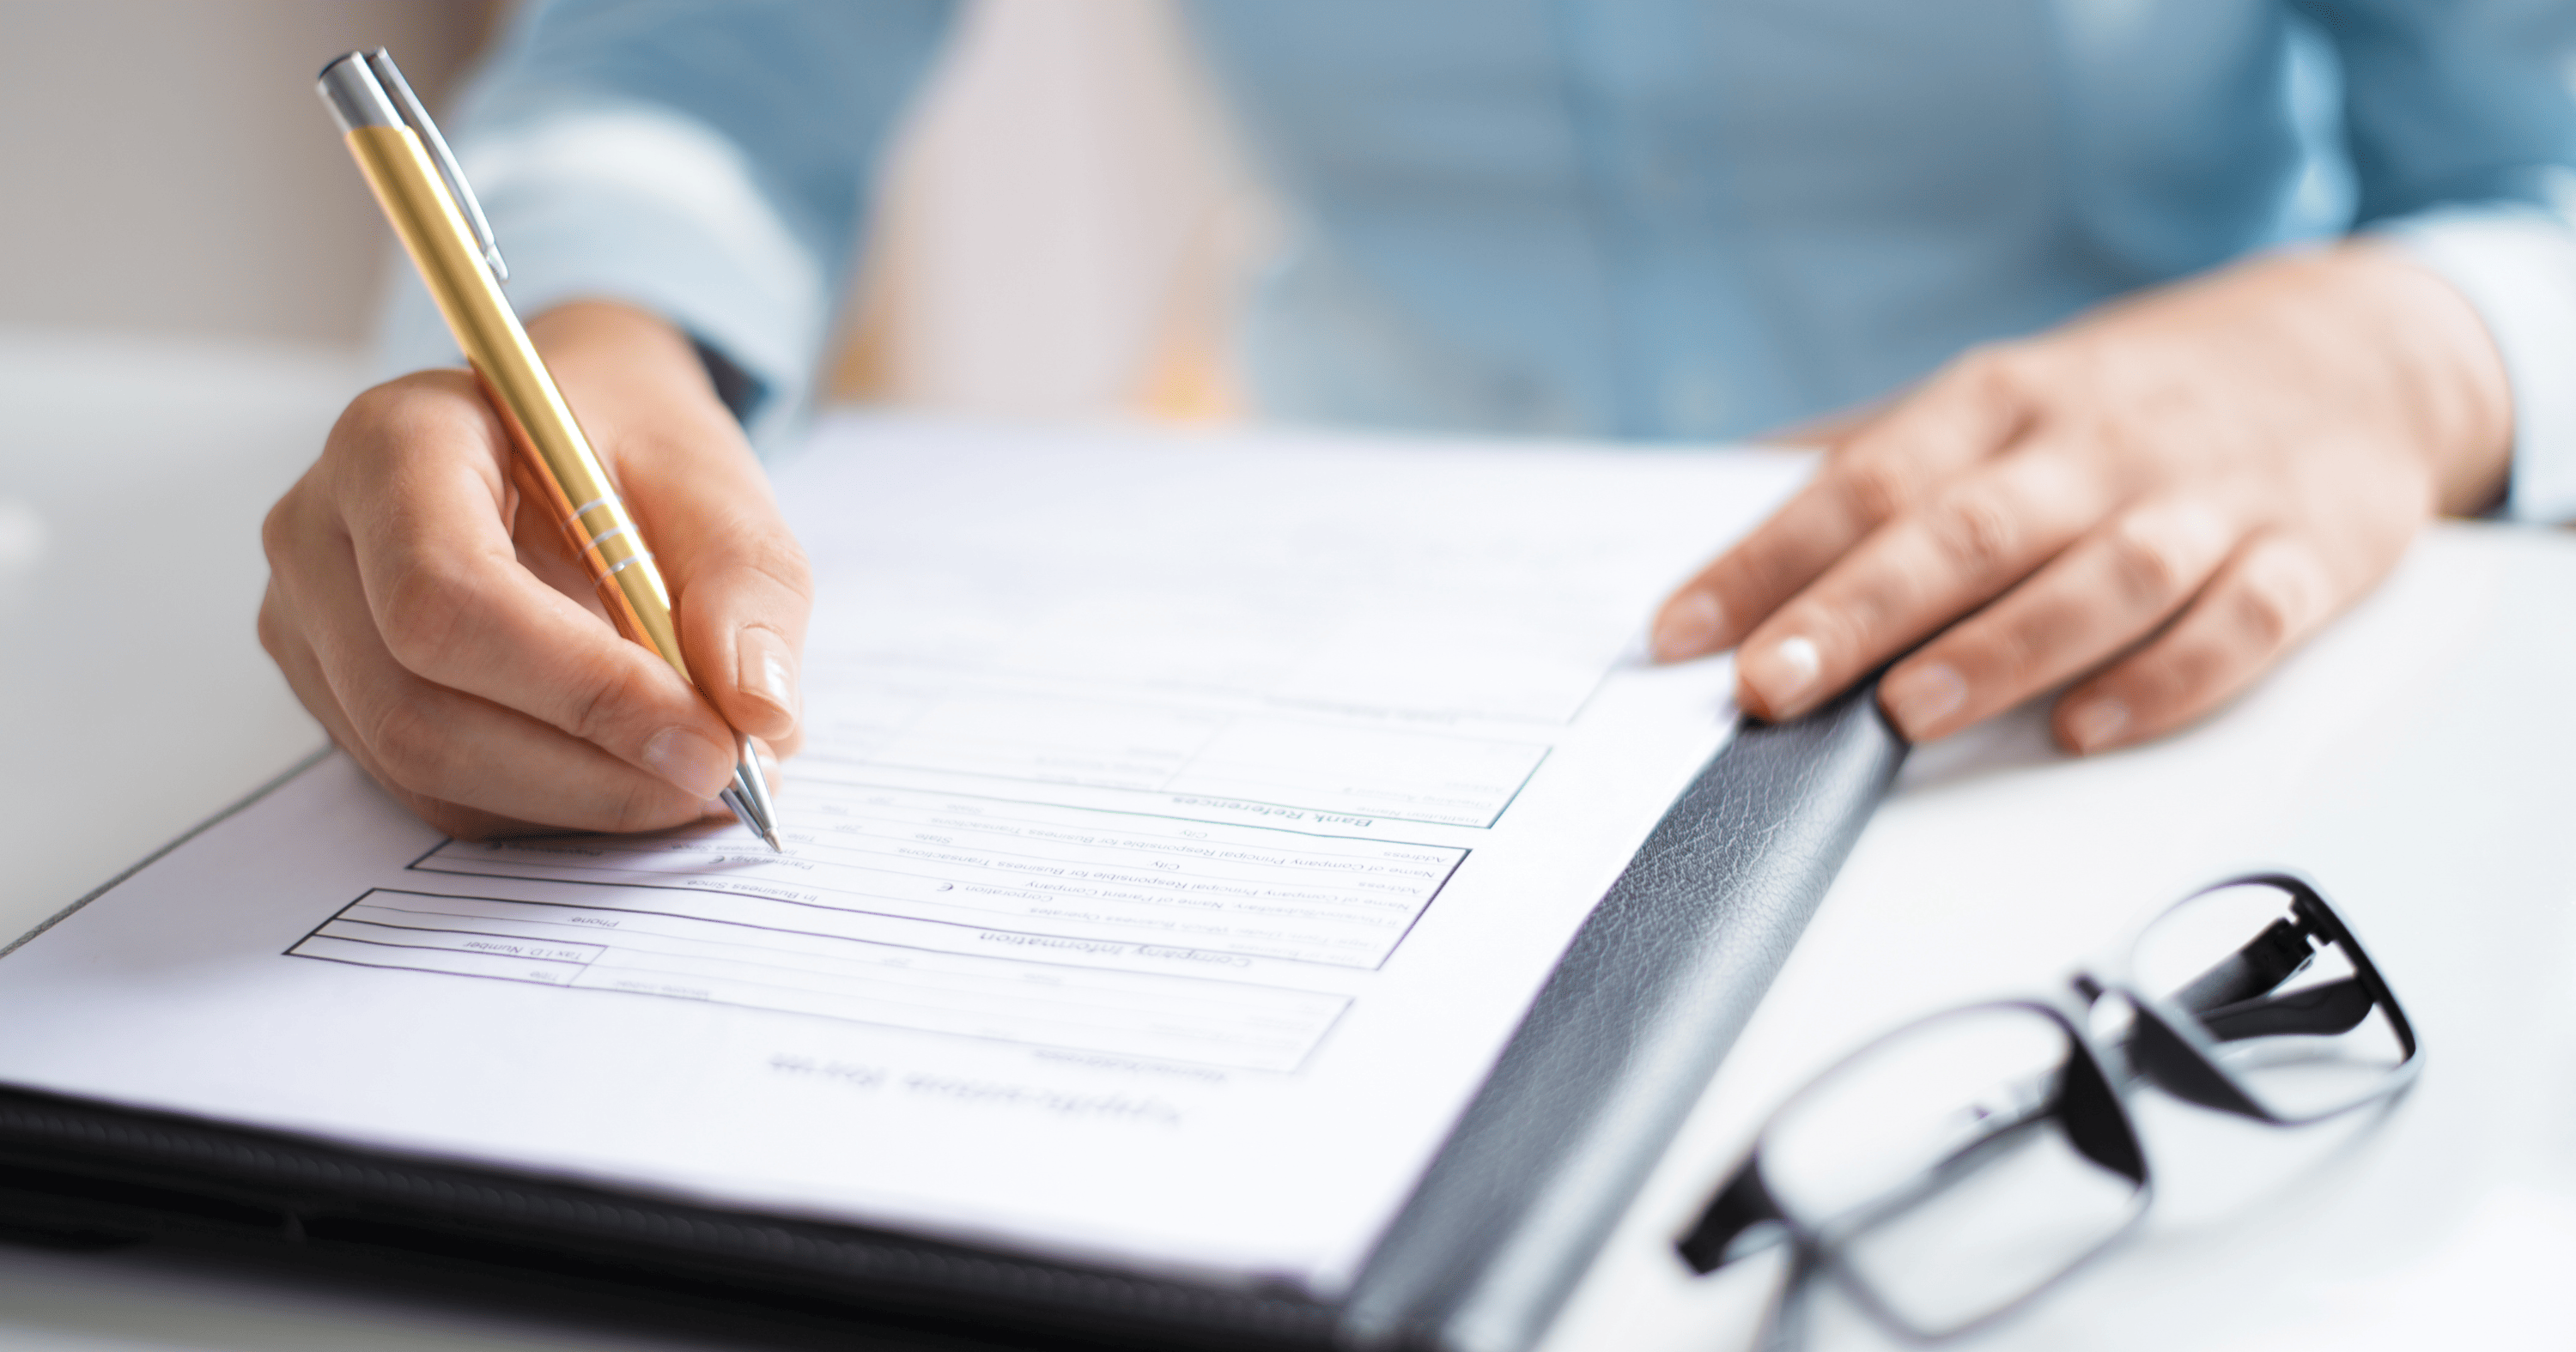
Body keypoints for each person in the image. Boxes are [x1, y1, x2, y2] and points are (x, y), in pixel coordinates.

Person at [259, 0, 2576, 840]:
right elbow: (687, 74)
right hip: (1358, 654)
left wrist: (2402, 350)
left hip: (2160, 677)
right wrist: (577, 335)